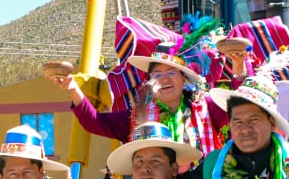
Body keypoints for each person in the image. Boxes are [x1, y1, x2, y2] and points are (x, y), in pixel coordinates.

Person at [51, 36, 229, 155]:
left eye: (172, 72)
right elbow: (95, 122)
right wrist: (74, 89)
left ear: (184, 79)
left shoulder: (208, 108)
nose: (164, 78)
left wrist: (238, 66)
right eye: (157, 74)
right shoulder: (136, 117)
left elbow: (242, 107)